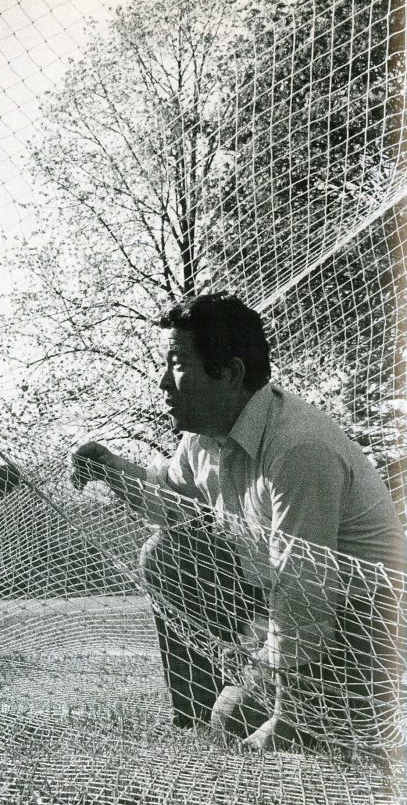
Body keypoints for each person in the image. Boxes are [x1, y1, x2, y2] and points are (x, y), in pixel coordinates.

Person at [71, 293, 404, 754]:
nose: (163, 382)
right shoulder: (202, 438)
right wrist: (108, 467)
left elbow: (303, 587)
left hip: (368, 630)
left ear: (229, 373)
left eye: (176, 364)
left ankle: (333, 720)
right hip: (297, 615)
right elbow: (169, 503)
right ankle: (193, 725)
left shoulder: (299, 448)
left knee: (240, 718)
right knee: (168, 553)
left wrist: (284, 721)